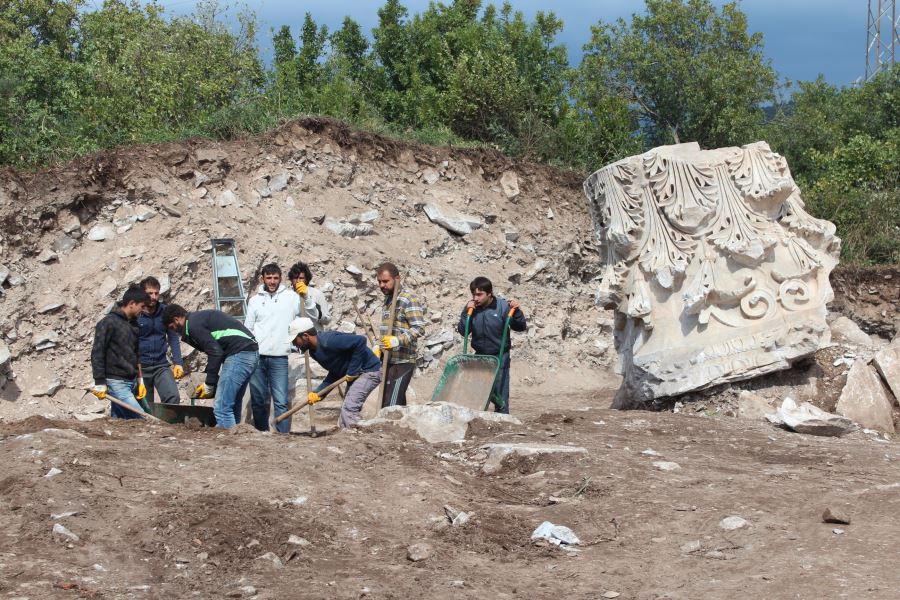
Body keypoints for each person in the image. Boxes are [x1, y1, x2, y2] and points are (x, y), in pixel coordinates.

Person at [245, 263, 317, 433]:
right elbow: (248, 327)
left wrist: (306, 297)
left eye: (275, 278)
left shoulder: (292, 297)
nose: (272, 281)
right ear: (263, 279)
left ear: (280, 278)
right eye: (268, 278)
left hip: (280, 357)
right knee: (258, 399)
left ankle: (283, 435)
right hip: (258, 357)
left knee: (281, 400)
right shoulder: (255, 301)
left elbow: (311, 317)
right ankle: (262, 433)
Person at [162, 305, 259, 429]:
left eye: (172, 327)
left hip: (239, 355)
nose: (175, 331)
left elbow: (215, 352)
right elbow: (214, 350)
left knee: (222, 407)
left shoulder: (193, 325)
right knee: (232, 403)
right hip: (249, 353)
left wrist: (209, 384)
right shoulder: (196, 320)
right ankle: (236, 437)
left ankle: (228, 443)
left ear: (176, 319)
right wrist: (207, 376)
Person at [288, 317, 382, 428]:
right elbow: (335, 372)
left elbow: (360, 341)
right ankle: (348, 437)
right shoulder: (314, 352)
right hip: (356, 375)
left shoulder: (329, 340)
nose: (294, 345)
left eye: (295, 340)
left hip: (369, 371)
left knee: (349, 408)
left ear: (305, 336)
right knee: (345, 414)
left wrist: (352, 370)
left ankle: (358, 437)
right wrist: (319, 393)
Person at [456, 276, 527, 414]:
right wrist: (466, 312)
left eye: (479, 294)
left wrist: (517, 311)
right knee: (477, 390)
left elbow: (520, 326)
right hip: (480, 355)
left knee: (499, 390)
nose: (476, 298)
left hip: (499, 355)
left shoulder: (502, 307)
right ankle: (477, 418)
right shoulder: (472, 308)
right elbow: (463, 331)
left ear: (489, 293)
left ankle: (502, 417)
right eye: (473, 294)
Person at [90, 285, 151, 419]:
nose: (142, 311)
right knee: (142, 419)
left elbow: (136, 354)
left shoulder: (134, 325)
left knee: (120, 423)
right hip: (116, 382)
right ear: (131, 304)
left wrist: (140, 380)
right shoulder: (108, 323)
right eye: (141, 306)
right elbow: (97, 352)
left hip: (131, 381)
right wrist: (99, 382)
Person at [375, 262, 427, 407]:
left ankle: (385, 429)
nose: (381, 285)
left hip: (403, 362)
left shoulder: (407, 299)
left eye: (385, 281)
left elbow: (419, 328)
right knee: (393, 402)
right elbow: (387, 330)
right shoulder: (388, 300)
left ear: (397, 279)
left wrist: (397, 341)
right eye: (379, 282)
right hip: (388, 360)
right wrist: (378, 346)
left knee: (391, 405)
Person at [137, 276, 185, 405]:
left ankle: (170, 425)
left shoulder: (165, 312)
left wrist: (178, 362)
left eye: (156, 293)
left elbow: (173, 338)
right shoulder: (136, 314)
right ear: (143, 294)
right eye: (150, 293)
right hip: (141, 367)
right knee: (144, 406)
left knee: (173, 397)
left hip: (161, 365)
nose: (153, 297)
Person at [287, 261, 332, 328]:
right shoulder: (287, 295)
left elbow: (327, 320)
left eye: (301, 278)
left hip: (313, 335)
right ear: (291, 279)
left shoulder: (316, 294)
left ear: (306, 279)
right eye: (295, 278)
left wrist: (316, 312)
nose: (298, 281)